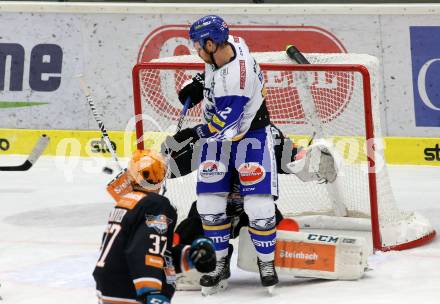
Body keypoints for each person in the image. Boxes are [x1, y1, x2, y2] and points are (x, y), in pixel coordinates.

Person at [169, 15, 279, 294]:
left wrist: (191, 135)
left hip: (248, 137)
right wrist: (199, 83)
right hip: (219, 136)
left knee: (259, 206)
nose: (196, 50)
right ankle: (219, 264)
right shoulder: (231, 45)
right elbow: (213, 73)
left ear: (210, 43)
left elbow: (223, 127)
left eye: (197, 45)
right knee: (207, 203)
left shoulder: (236, 82)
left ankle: (267, 263)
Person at [93, 149, 216, 304]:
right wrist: (151, 292)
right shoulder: (155, 205)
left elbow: (159, 252)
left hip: (109, 287)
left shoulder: (125, 203)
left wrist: (191, 256)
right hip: (133, 292)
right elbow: (143, 248)